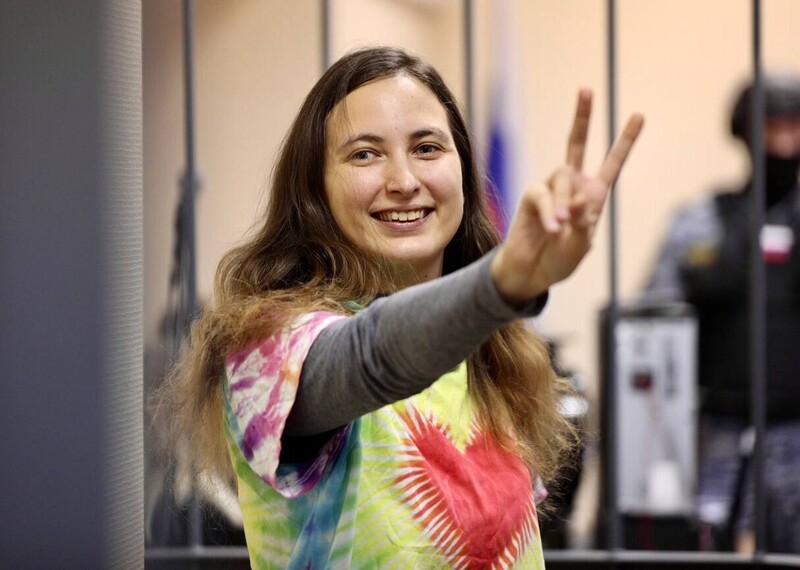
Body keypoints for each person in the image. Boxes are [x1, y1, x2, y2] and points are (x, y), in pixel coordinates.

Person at [158, 46, 643, 568]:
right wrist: (502, 284)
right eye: (365, 154)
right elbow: (371, 356)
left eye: (428, 148)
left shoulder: (493, 352)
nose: (404, 181)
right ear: (314, 188)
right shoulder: (271, 343)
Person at [644, 73, 800, 553]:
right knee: (710, 544)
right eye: (770, 128)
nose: (782, 143)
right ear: (745, 133)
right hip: (718, 428)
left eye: (793, 128)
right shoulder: (701, 222)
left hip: (796, 430)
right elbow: (654, 317)